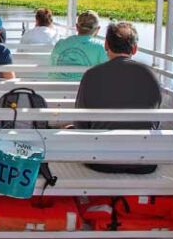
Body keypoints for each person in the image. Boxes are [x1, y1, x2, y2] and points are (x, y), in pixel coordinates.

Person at [75, 22, 162, 174]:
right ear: (134, 49)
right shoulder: (150, 75)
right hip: (143, 163)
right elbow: (154, 121)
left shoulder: (92, 75)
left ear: (106, 45)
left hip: (100, 161)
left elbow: (80, 122)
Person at [50, 10, 108, 80]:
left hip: (58, 88)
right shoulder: (99, 47)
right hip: (86, 89)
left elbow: (51, 73)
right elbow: (106, 75)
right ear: (97, 29)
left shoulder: (60, 44)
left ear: (77, 27)